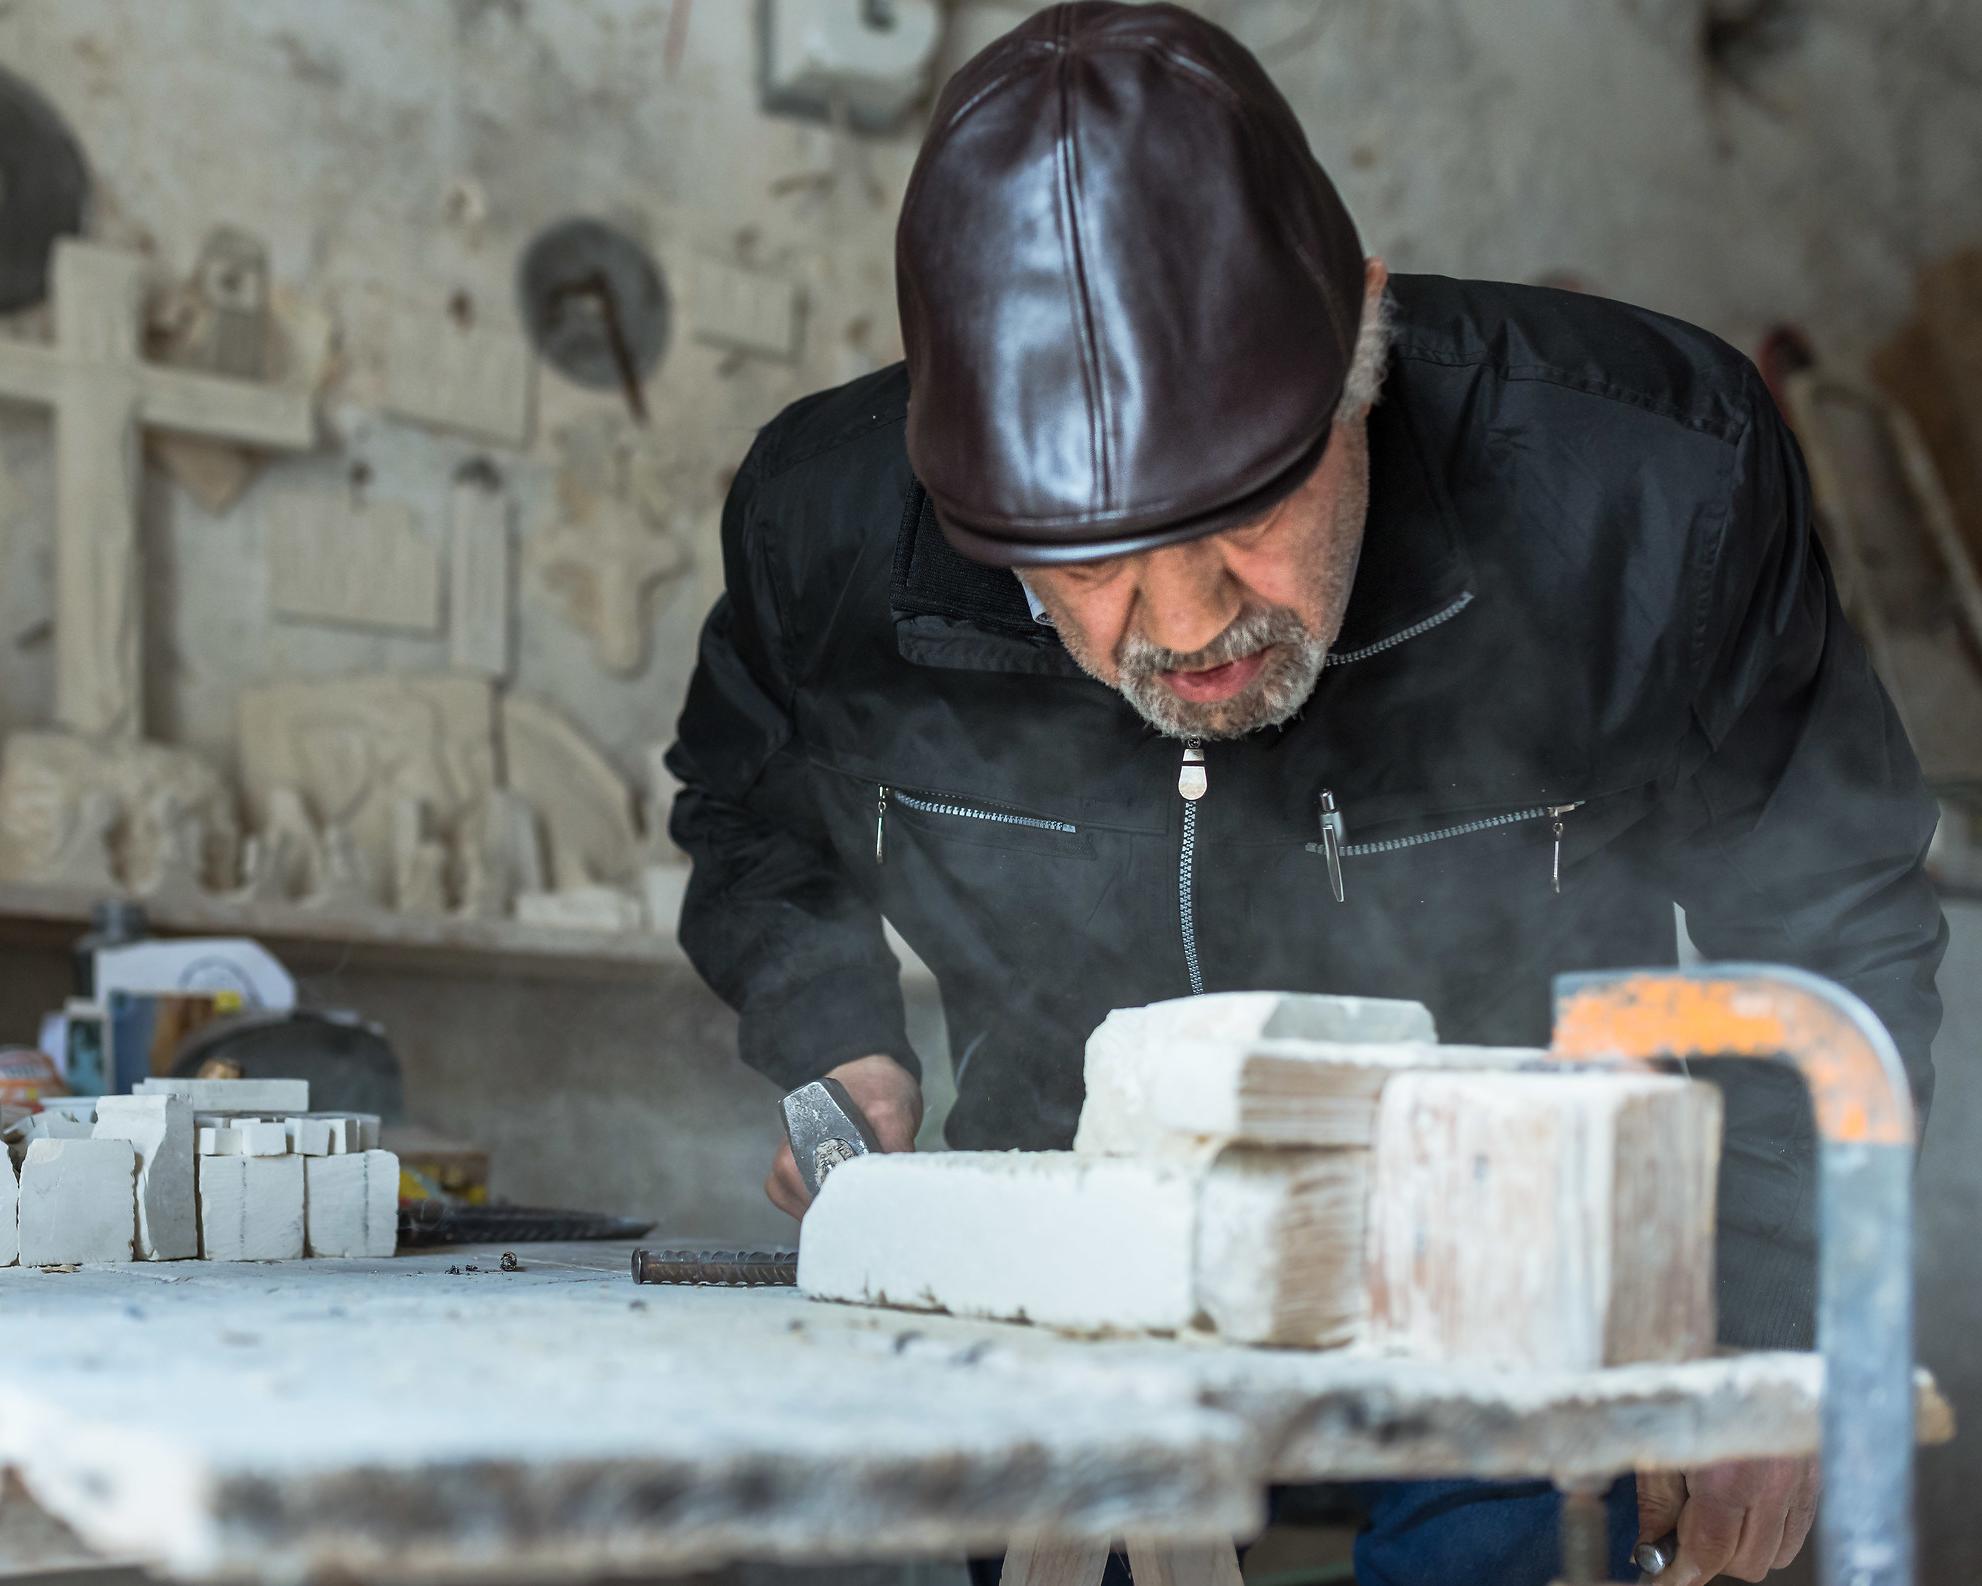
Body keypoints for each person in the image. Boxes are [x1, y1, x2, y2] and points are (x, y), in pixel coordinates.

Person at [664, 5, 1945, 1583]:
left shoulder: (1652, 488)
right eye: (1092, 573)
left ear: (1363, 340)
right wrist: (827, 1029)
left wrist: (1773, 1329)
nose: (1193, 623)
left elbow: (1824, 919)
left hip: (1514, 1272)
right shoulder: (828, 528)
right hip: (1070, 1262)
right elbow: (746, 808)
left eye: (1247, 517)